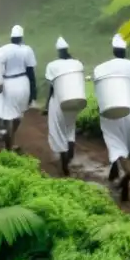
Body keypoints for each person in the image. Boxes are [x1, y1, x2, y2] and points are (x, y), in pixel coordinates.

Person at [93, 33, 130, 201]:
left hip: (111, 113)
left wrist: (100, 110)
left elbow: (101, 95)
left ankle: (127, 172)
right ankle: (123, 188)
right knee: (124, 147)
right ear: (125, 50)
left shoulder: (102, 68)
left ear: (113, 49)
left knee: (116, 145)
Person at [43, 36, 80, 176]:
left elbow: (52, 88)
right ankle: (70, 152)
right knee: (70, 129)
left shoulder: (52, 65)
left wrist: (47, 105)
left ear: (58, 51)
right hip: (74, 101)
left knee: (58, 131)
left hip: (59, 101)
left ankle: (64, 162)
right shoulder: (76, 63)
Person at [0, 24, 37, 152]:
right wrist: (33, 93)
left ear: (11, 37)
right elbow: (31, 73)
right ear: (21, 37)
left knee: (8, 115)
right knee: (18, 115)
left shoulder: (3, 50)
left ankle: (8, 142)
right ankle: (10, 140)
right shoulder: (27, 50)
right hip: (23, 83)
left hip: (8, 83)